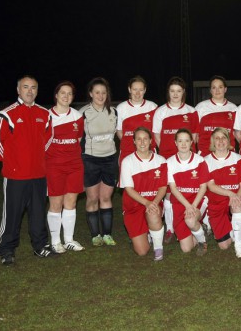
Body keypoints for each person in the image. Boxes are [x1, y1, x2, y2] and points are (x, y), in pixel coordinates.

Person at [0, 75, 54, 265]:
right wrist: (12, 163)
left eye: (33, 87)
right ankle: (6, 249)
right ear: (18, 90)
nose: (29, 91)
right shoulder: (6, 114)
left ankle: (40, 246)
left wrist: (38, 160)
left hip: (38, 175)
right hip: (16, 175)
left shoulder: (44, 114)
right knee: (12, 214)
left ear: (37, 90)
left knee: (38, 213)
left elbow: (48, 139)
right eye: (25, 87)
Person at [153, 77, 199, 243]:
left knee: (188, 190)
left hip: (187, 159)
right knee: (168, 194)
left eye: (178, 91)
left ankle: (195, 223)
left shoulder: (191, 111)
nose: (175, 94)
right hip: (167, 158)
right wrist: (167, 153)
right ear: (168, 92)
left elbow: (194, 137)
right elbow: (157, 136)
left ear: (183, 92)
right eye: (172, 91)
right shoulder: (160, 111)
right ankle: (170, 228)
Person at [46, 81, 86, 253]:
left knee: (71, 202)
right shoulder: (47, 116)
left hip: (75, 165)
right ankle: (55, 241)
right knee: (56, 203)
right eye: (63, 93)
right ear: (56, 95)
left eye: (70, 93)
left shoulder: (77, 116)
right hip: (54, 165)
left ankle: (69, 239)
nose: (66, 96)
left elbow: (77, 140)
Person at [79, 77, 118, 247]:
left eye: (103, 92)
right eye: (97, 92)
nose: (100, 96)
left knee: (106, 197)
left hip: (110, 159)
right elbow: (78, 140)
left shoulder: (114, 112)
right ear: (90, 94)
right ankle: (95, 235)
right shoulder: (83, 113)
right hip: (90, 159)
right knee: (93, 198)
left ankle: (107, 234)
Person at [119, 127, 167, 260]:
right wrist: (146, 202)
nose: (142, 142)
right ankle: (147, 233)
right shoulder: (127, 161)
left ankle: (158, 248)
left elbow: (163, 187)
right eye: (138, 139)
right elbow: (129, 189)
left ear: (151, 140)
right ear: (134, 141)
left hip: (153, 202)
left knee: (152, 212)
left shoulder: (161, 160)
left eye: (145, 139)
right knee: (142, 251)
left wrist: (154, 203)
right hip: (133, 206)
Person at [204, 127, 241, 258]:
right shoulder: (206, 161)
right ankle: (235, 228)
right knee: (224, 246)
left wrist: (237, 197)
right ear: (212, 142)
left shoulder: (239, 159)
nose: (220, 141)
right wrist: (231, 194)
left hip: (235, 199)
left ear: (228, 140)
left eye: (223, 138)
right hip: (216, 203)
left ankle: (239, 245)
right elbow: (211, 186)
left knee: (236, 205)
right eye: (217, 138)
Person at [167, 129, 210, 255]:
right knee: (186, 249)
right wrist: (187, 206)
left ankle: (202, 241)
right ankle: (197, 228)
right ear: (175, 143)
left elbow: (203, 187)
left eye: (187, 140)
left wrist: (193, 206)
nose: (183, 144)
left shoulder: (200, 160)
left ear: (192, 142)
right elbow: (173, 188)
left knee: (190, 220)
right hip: (180, 203)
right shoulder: (169, 162)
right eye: (180, 141)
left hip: (198, 201)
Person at [116, 76, 158, 166]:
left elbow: (157, 131)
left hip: (149, 152)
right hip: (127, 152)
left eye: (141, 90)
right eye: (135, 89)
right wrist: (129, 142)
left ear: (145, 90)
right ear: (129, 89)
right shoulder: (121, 108)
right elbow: (119, 131)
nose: (138, 93)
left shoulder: (153, 107)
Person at [195, 76, 238, 157]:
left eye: (220, 87)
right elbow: (195, 134)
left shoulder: (233, 108)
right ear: (210, 90)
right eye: (214, 87)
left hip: (228, 154)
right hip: (205, 154)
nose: (217, 90)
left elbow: (237, 133)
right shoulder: (201, 107)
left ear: (225, 89)